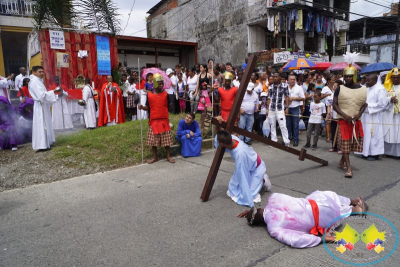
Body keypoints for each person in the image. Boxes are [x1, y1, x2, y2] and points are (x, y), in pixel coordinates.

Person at [237, 192, 368, 248]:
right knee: (318, 195)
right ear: (259, 208)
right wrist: (250, 211)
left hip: (327, 220)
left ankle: (354, 210)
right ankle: (352, 202)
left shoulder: (273, 228)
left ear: (260, 223)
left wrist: (321, 239)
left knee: (320, 212)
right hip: (322, 204)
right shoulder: (274, 197)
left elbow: (296, 240)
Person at [216, 130, 271, 207]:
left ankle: (263, 179)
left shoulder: (240, 153)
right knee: (233, 189)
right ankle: (256, 181)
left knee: (251, 195)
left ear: (222, 144)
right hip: (245, 165)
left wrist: (246, 198)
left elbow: (243, 175)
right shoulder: (232, 138)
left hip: (256, 167)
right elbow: (218, 136)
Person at [333, 54, 367, 178]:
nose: (347, 78)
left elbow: (364, 104)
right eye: (345, 76)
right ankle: (349, 168)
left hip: (356, 120)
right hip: (343, 121)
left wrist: (359, 114)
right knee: (346, 144)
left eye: (349, 76)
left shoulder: (362, 89)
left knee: (351, 145)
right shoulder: (339, 89)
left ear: (354, 76)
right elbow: (335, 105)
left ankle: (341, 163)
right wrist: (344, 115)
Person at [139, 73, 175, 164]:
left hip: (164, 119)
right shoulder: (150, 95)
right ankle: (155, 157)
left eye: (162, 83)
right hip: (154, 120)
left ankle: (168, 156)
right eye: (159, 83)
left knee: (166, 141)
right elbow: (148, 107)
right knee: (154, 142)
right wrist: (142, 107)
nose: (161, 85)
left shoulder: (166, 94)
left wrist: (170, 105)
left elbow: (170, 107)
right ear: (154, 83)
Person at [353, 73, 388, 161]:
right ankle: (365, 152)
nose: (366, 82)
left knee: (374, 135)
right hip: (365, 115)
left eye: (369, 81)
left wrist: (368, 105)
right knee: (365, 134)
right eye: (366, 80)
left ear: (375, 81)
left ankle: (375, 154)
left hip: (374, 116)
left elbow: (382, 104)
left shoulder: (380, 89)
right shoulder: (367, 89)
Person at [29, 66, 60, 150]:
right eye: (40, 72)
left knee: (46, 123)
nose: (42, 73)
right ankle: (42, 145)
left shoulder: (39, 81)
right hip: (40, 106)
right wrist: (53, 92)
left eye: (42, 71)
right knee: (41, 124)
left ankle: (48, 141)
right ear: (34, 72)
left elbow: (43, 94)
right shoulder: (34, 81)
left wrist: (51, 93)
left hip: (43, 105)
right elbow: (41, 95)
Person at [267, 73, 290, 146]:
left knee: (283, 125)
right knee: (272, 125)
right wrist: (267, 109)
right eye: (274, 77)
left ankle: (286, 141)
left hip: (280, 109)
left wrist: (287, 108)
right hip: (272, 108)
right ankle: (273, 141)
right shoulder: (270, 86)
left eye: (277, 76)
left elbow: (287, 97)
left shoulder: (284, 86)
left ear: (280, 77)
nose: (275, 78)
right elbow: (269, 99)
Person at [383, 68, 400, 157]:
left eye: (398, 77)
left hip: (399, 115)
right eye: (394, 77)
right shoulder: (387, 88)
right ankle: (388, 152)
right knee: (390, 133)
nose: (396, 79)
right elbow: (383, 101)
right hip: (390, 115)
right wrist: (390, 100)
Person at [286, 74, 305, 147]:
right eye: (291, 79)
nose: (293, 81)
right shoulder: (285, 87)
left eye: (294, 79)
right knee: (288, 124)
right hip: (287, 107)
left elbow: (303, 98)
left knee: (296, 125)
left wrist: (294, 98)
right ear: (288, 80)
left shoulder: (299, 87)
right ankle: (287, 140)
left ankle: (295, 140)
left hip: (295, 108)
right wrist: (286, 101)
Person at [322, 75, 335, 142]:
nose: (333, 81)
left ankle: (333, 136)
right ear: (329, 81)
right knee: (328, 122)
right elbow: (320, 96)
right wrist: (326, 95)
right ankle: (328, 136)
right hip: (328, 106)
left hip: (335, 107)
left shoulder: (335, 87)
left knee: (334, 122)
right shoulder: (325, 88)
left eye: (334, 80)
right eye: (332, 80)